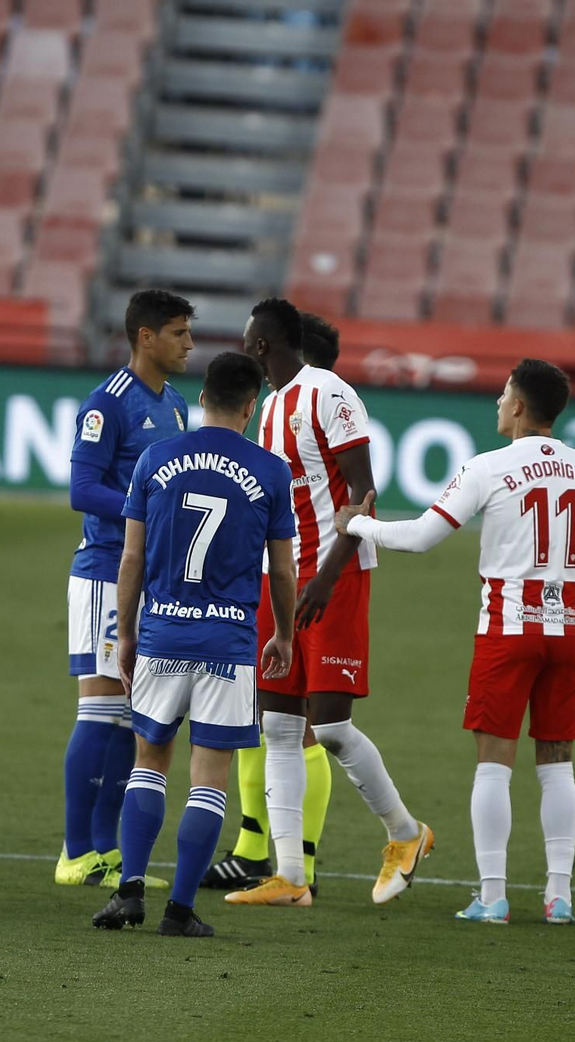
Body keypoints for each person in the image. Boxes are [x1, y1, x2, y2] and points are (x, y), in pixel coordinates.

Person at [335, 358, 575, 925]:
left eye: (502, 395)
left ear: (520, 406)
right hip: (571, 634)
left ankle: (493, 896)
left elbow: (423, 536)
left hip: (508, 630)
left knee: (495, 764)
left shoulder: (488, 468)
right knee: (558, 763)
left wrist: (357, 524)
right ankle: (559, 896)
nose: (497, 403)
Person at [224, 297, 433, 909]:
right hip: (279, 577)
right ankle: (291, 877)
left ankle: (406, 833)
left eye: (247, 336)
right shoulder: (267, 410)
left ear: (262, 343)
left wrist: (328, 574)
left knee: (333, 726)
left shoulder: (328, 393)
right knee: (281, 726)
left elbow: (366, 494)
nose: (244, 344)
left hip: (333, 576)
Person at [92, 352, 299, 937]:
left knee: (148, 763)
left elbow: (130, 556)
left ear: (202, 396)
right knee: (210, 778)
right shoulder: (271, 471)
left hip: (161, 632)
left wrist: (126, 632)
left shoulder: (156, 459)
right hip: (228, 641)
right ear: (251, 405)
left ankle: (129, 892)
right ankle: (180, 910)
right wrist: (282, 632)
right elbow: (282, 572)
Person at [58, 290, 193, 888]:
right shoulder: (107, 403)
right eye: (179, 332)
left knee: (129, 715)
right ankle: (74, 849)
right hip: (105, 570)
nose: (189, 343)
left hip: (148, 574)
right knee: (102, 706)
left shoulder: (178, 406)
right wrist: (147, 511)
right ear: (146, 336)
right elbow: (82, 489)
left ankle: (106, 852)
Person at [202, 310, 339, 894]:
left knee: (304, 725)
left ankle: (294, 860)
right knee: (268, 715)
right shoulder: (285, 412)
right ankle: (260, 846)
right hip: (279, 571)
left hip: (304, 573)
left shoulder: (307, 412)